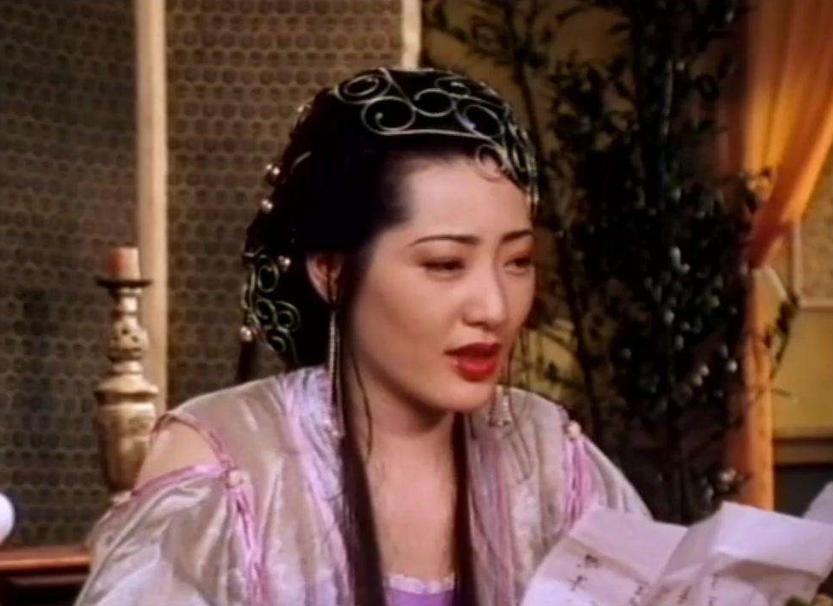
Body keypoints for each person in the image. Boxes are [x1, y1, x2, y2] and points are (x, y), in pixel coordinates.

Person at [75, 67, 648, 606]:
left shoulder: (551, 457)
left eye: (518, 261)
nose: (494, 308)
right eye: (446, 264)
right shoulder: (227, 465)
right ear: (332, 270)